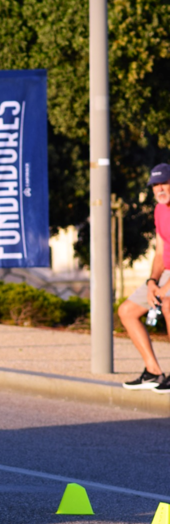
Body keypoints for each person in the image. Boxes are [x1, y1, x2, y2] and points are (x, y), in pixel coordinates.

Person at [119, 163, 170, 391]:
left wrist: (165, 288)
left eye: (165, 183)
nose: (160, 189)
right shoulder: (160, 210)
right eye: (155, 185)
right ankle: (153, 372)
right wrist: (152, 282)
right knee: (127, 311)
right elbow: (160, 252)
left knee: (168, 304)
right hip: (165, 273)